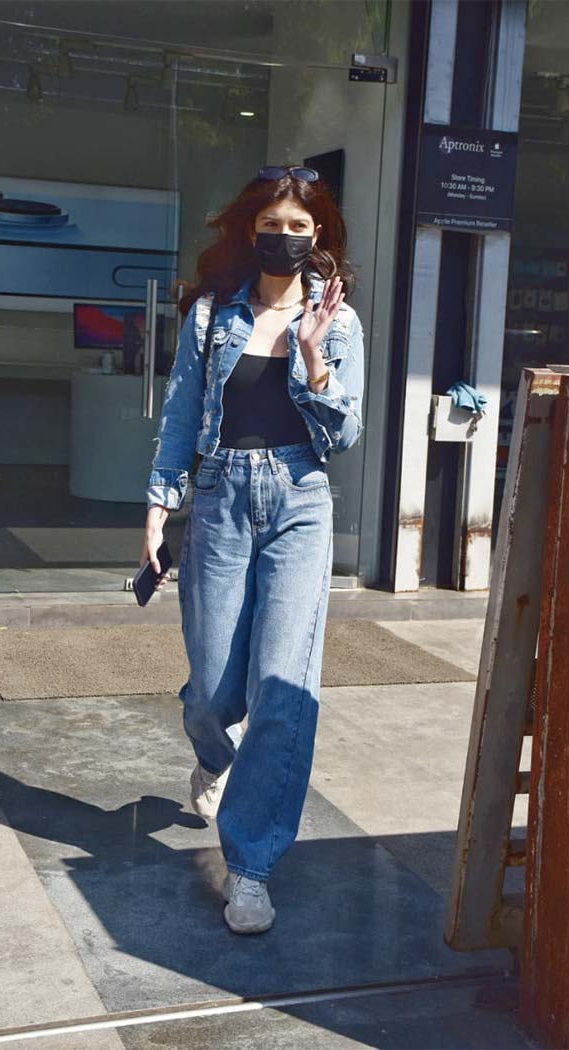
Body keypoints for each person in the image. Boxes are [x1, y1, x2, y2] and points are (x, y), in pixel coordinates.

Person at [140, 164, 365, 934]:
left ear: (320, 239)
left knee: (282, 686)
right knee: (211, 685)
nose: (286, 237)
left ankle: (252, 866)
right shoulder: (211, 316)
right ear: (250, 229)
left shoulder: (339, 324)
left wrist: (311, 356)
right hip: (220, 500)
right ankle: (211, 753)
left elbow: (343, 434)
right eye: (274, 224)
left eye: (301, 229)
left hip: (301, 501)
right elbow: (178, 418)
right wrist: (158, 508)